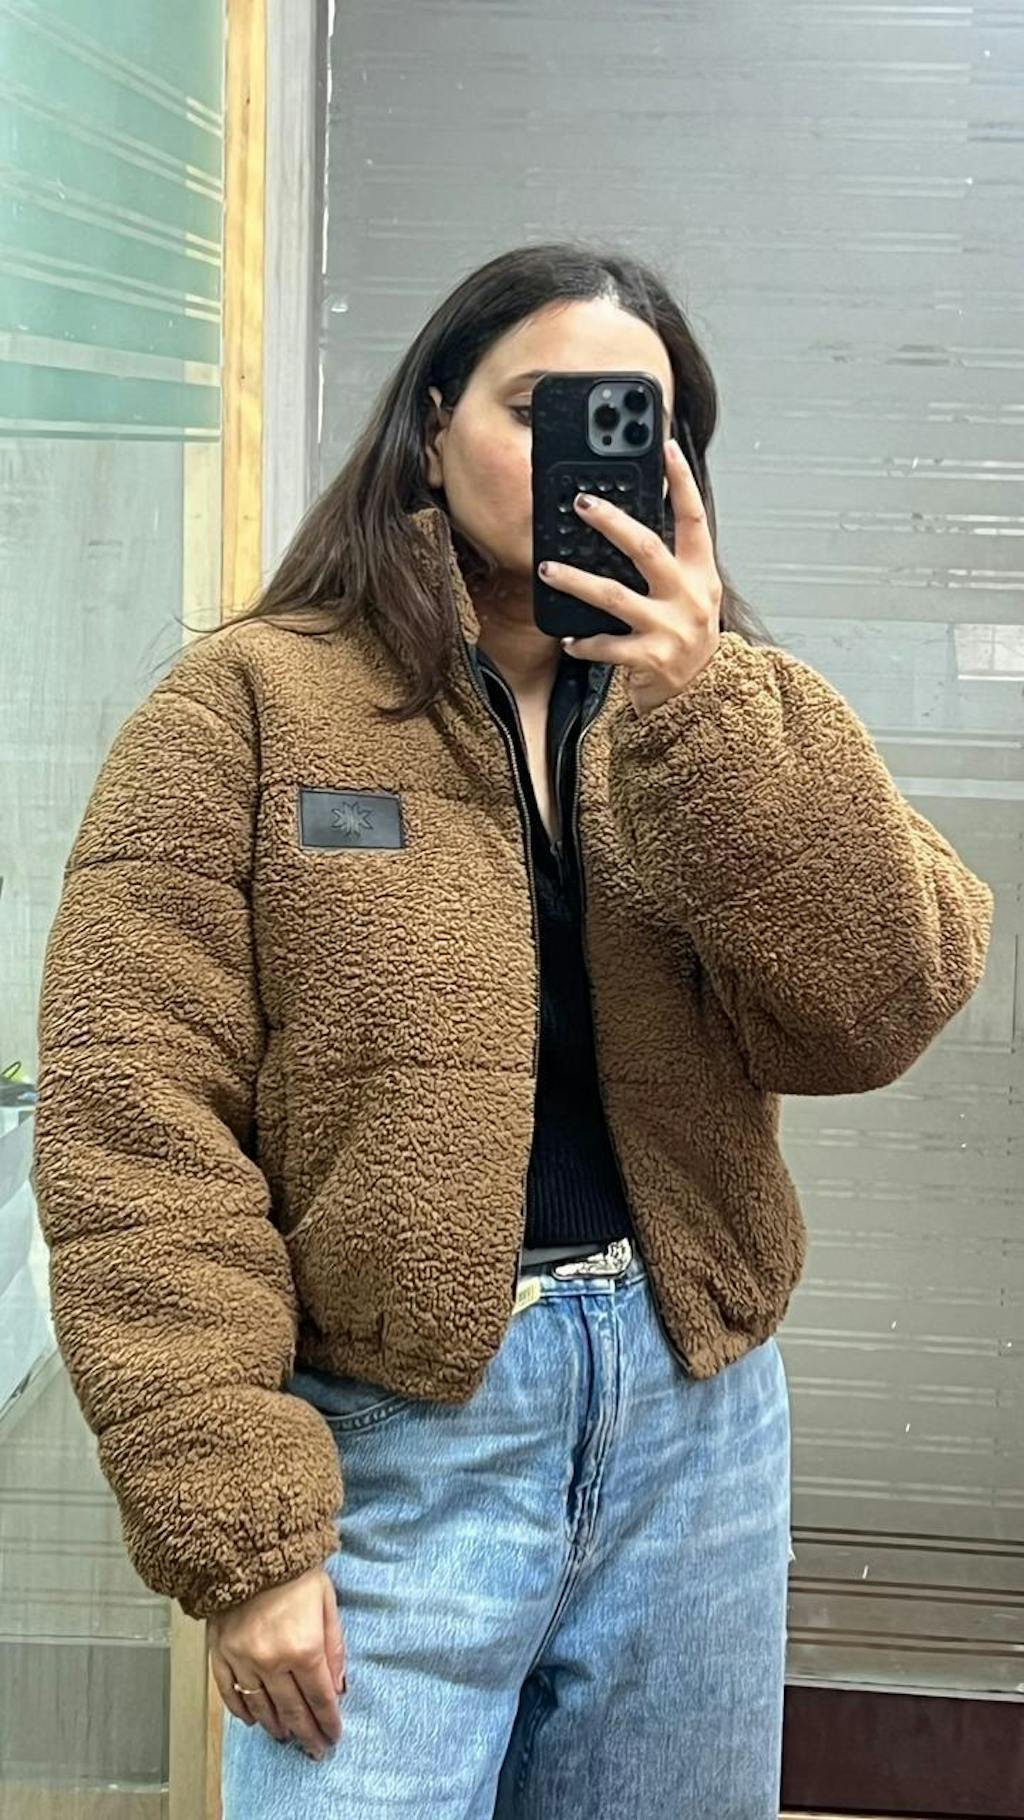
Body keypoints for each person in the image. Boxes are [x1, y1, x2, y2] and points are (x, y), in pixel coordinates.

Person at [33, 243, 993, 1820]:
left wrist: (703, 713)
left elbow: (878, 1010)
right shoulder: (249, 710)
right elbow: (136, 1125)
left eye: (629, 420)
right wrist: (240, 1530)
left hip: (697, 1432)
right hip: (394, 1441)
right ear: (431, 428)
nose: (579, 456)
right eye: (540, 407)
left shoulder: (731, 711)